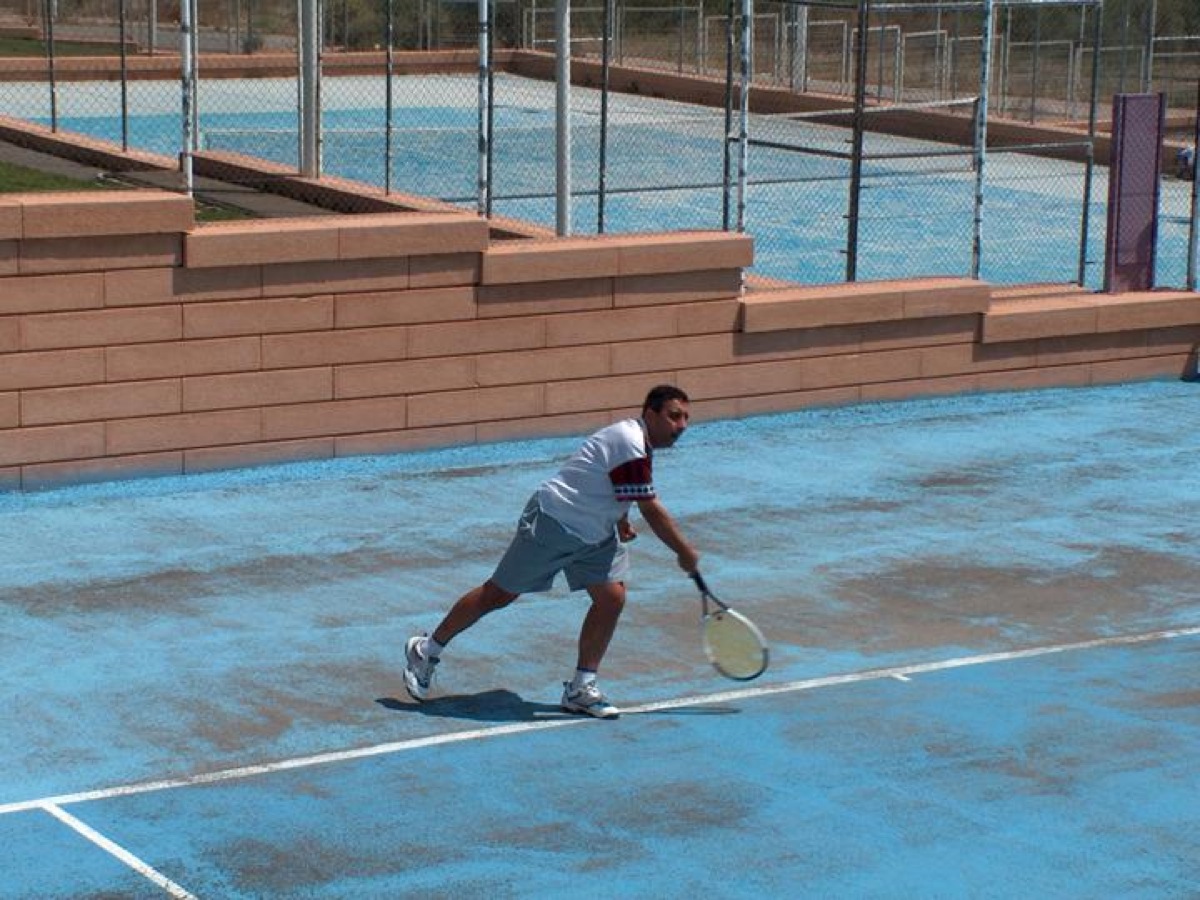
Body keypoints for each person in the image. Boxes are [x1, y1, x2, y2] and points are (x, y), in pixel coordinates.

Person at [403, 384, 700, 719]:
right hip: (554, 523)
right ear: (650, 414)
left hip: (595, 535)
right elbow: (651, 508)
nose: (682, 425)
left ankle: (581, 688)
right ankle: (426, 649)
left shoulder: (640, 443)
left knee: (611, 598)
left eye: (686, 418)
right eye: (674, 416)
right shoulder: (630, 442)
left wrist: (620, 518)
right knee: (498, 594)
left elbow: (613, 482)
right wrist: (683, 551)